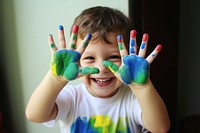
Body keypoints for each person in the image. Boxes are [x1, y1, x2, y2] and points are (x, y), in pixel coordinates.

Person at [26, 6, 170, 133]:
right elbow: (35, 115)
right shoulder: (72, 98)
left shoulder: (133, 99)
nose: (101, 68)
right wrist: (55, 79)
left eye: (113, 56)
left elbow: (160, 128)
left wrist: (142, 88)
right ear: (77, 60)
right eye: (89, 58)